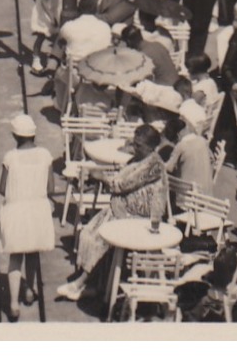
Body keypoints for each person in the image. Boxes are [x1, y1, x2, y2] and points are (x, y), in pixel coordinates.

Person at [55, 124, 168, 303]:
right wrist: (100, 173)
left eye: (139, 145)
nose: (134, 148)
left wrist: (98, 176)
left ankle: (81, 283)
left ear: (150, 146)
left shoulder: (154, 165)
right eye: (135, 143)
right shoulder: (140, 158)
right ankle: (92, 284)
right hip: (121, 208)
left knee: (100, 241)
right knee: (88, 234)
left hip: (139, 216)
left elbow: (122, 184)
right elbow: (121, 174)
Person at [0, 113, 54, 319]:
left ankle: (13, 303)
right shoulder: (45, 155)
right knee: (33, 253)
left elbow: (3, 188)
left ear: (15, 136)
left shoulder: (10, 157)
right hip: (38, 210)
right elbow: (50, 187)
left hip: (16, 210)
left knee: (15, 256)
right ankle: (29, 291)